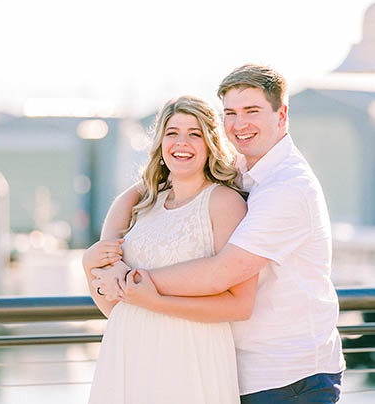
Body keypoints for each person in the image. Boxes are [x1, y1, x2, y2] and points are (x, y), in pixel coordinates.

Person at [92, 63, 346, 403]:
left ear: (281, 115)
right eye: (231, 113)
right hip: (236, 369)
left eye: (252, 111)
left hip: (289, 378)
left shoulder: (288, 187)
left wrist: (132, 281)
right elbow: (163, 179)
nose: (240, 124)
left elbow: (221, 273)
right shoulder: (243, 169)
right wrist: (100, 254)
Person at [83, 95, 259, 404]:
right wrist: (89, 268)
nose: (182, 142)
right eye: (172, 132)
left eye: (195, 134)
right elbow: (118, 306)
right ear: (161, 143)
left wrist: (156, 302)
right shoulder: (142, 204)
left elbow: (238, 306)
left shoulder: (224, 202)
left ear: (210, 144)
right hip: (129, 355)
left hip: (191, 358)